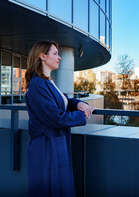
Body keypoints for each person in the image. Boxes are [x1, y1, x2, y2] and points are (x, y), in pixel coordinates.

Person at [25, 40, 95, 197]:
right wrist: (82, 115)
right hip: (45, 148)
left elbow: (63, 101)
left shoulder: (48, 81)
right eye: (55, 53)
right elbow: (55, 118)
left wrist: (79, 104)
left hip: (55, 145)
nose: (59, 57)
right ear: (42, 56)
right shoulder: (37, 85)